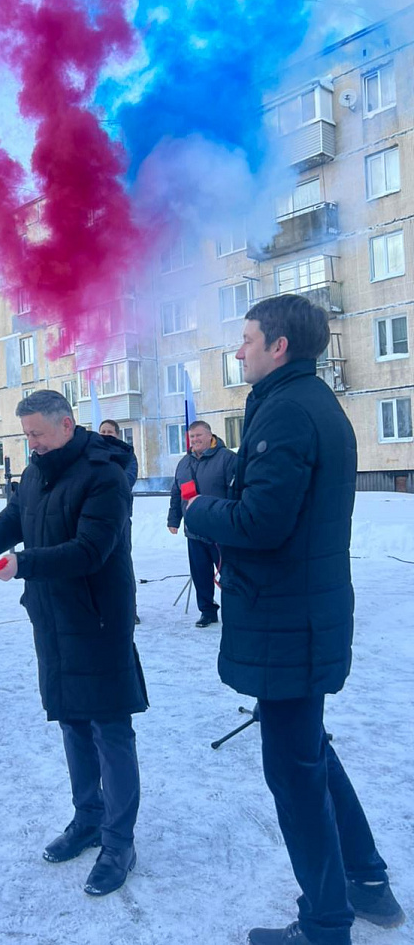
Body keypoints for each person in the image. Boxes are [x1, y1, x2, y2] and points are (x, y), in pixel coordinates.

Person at [184, 295, 405, 945]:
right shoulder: (305, 402)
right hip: (301, 612)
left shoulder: (286, 411)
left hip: (292, 621)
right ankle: (367, 882)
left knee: (294, 770)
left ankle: (326, 923)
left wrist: (198, 512)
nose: (238, 349)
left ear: (278, 345)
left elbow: (262, 521)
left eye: (247, 338)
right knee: (310, 751)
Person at [0, 390, 148, 897]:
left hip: (97, 619)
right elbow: (17, 517)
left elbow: (91, 550)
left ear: (67, 425)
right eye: (26, 436)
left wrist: (23, 565)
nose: (31, 444)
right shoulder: (36, 469)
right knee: (71, 721)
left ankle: (119, 841)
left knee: (110, 730)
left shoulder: (103, 474)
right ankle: (87, 818)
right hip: (50, 616)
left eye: (38, 435)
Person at [167, 421, 236, 627]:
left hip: (221, 531)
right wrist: (173, 519)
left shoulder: (227, 459)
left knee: (230, 575)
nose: (195, 440)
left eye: (199, 436)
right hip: (194, 531)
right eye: (192, 437)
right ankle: (207, 611)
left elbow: (237, 492)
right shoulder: (184, 464)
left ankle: (236, 610)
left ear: (210, 435)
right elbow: (176, 493)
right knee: (200, 574)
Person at [98, 419, 139, 623]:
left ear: (117, 434)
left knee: (122, 564)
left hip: (120, 517)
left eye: (110, 432)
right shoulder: (92, 454)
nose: (106, 434)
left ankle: (130, 609)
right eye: (102, 431)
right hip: (95, 518)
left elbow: (127, 480)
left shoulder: (127, 455)